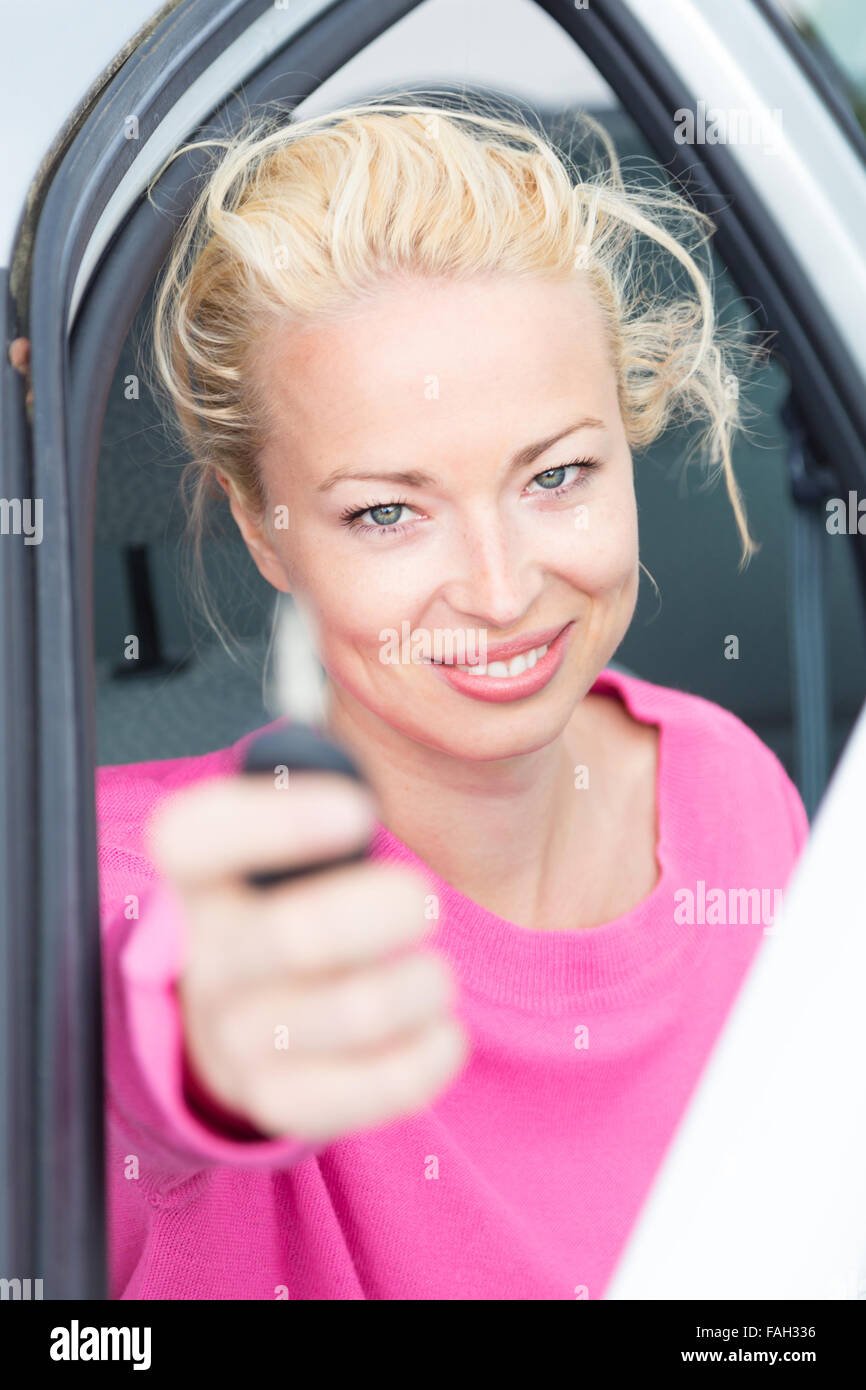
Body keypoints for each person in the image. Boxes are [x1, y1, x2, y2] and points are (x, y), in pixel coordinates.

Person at [97, 99, 808, 1300]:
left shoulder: (728, 784)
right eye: (386, 509)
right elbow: (126, 1042)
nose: (499, 588)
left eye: (557, 474)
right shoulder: (117, 876)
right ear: (262, 528)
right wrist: (199, 1059)